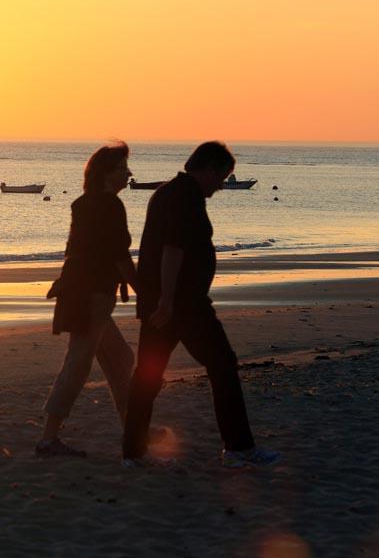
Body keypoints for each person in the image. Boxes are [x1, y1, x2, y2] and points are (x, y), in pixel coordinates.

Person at [121, 141, 280, 468]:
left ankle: (133, 453)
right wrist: (166, 301)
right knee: (222, 365)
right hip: (183, 306)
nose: (221, 185)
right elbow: (172, 250)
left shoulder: (167, 192)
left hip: (165, 303)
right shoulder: (185, 196)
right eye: (222, 176)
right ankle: (238, 448)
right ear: (207, 167)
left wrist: (158, 300)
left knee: (148, 375)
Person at [36, 142, 141, 458]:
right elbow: (119, 257)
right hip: (92, 298)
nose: (129, 173)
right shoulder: (110, 206)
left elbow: (79, 250)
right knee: (78, 365)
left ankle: (134, 430)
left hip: (84, 295)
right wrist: (145, 291)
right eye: (122, 168)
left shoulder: (83, 204)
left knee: (120, 359)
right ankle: (48, 439)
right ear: (107, 173)